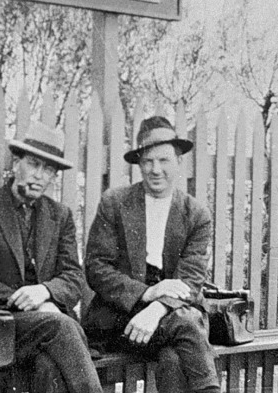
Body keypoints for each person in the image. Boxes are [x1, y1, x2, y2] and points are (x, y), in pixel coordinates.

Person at [0, 120, 103, 393]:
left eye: (48, 169)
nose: (39, 175)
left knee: (47, 367)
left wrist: (45, 291)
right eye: (34, 164)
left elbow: (74, 276)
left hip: (50, 329)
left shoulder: (60, 216)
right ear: (16, 163)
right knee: (61, 327)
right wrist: (25, 301)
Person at [83, 116, 220, 393]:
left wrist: (157, 309)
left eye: (164, 160)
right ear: (139, 165)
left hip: (168, 319)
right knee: (187, 325)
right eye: (148, 161)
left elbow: (191, 280)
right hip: (120, 321)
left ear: (179, 162)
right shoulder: (115, 203)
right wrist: (149, 294)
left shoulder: (196, 214)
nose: (155, 169)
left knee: (173, 359)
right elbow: (97, 268)